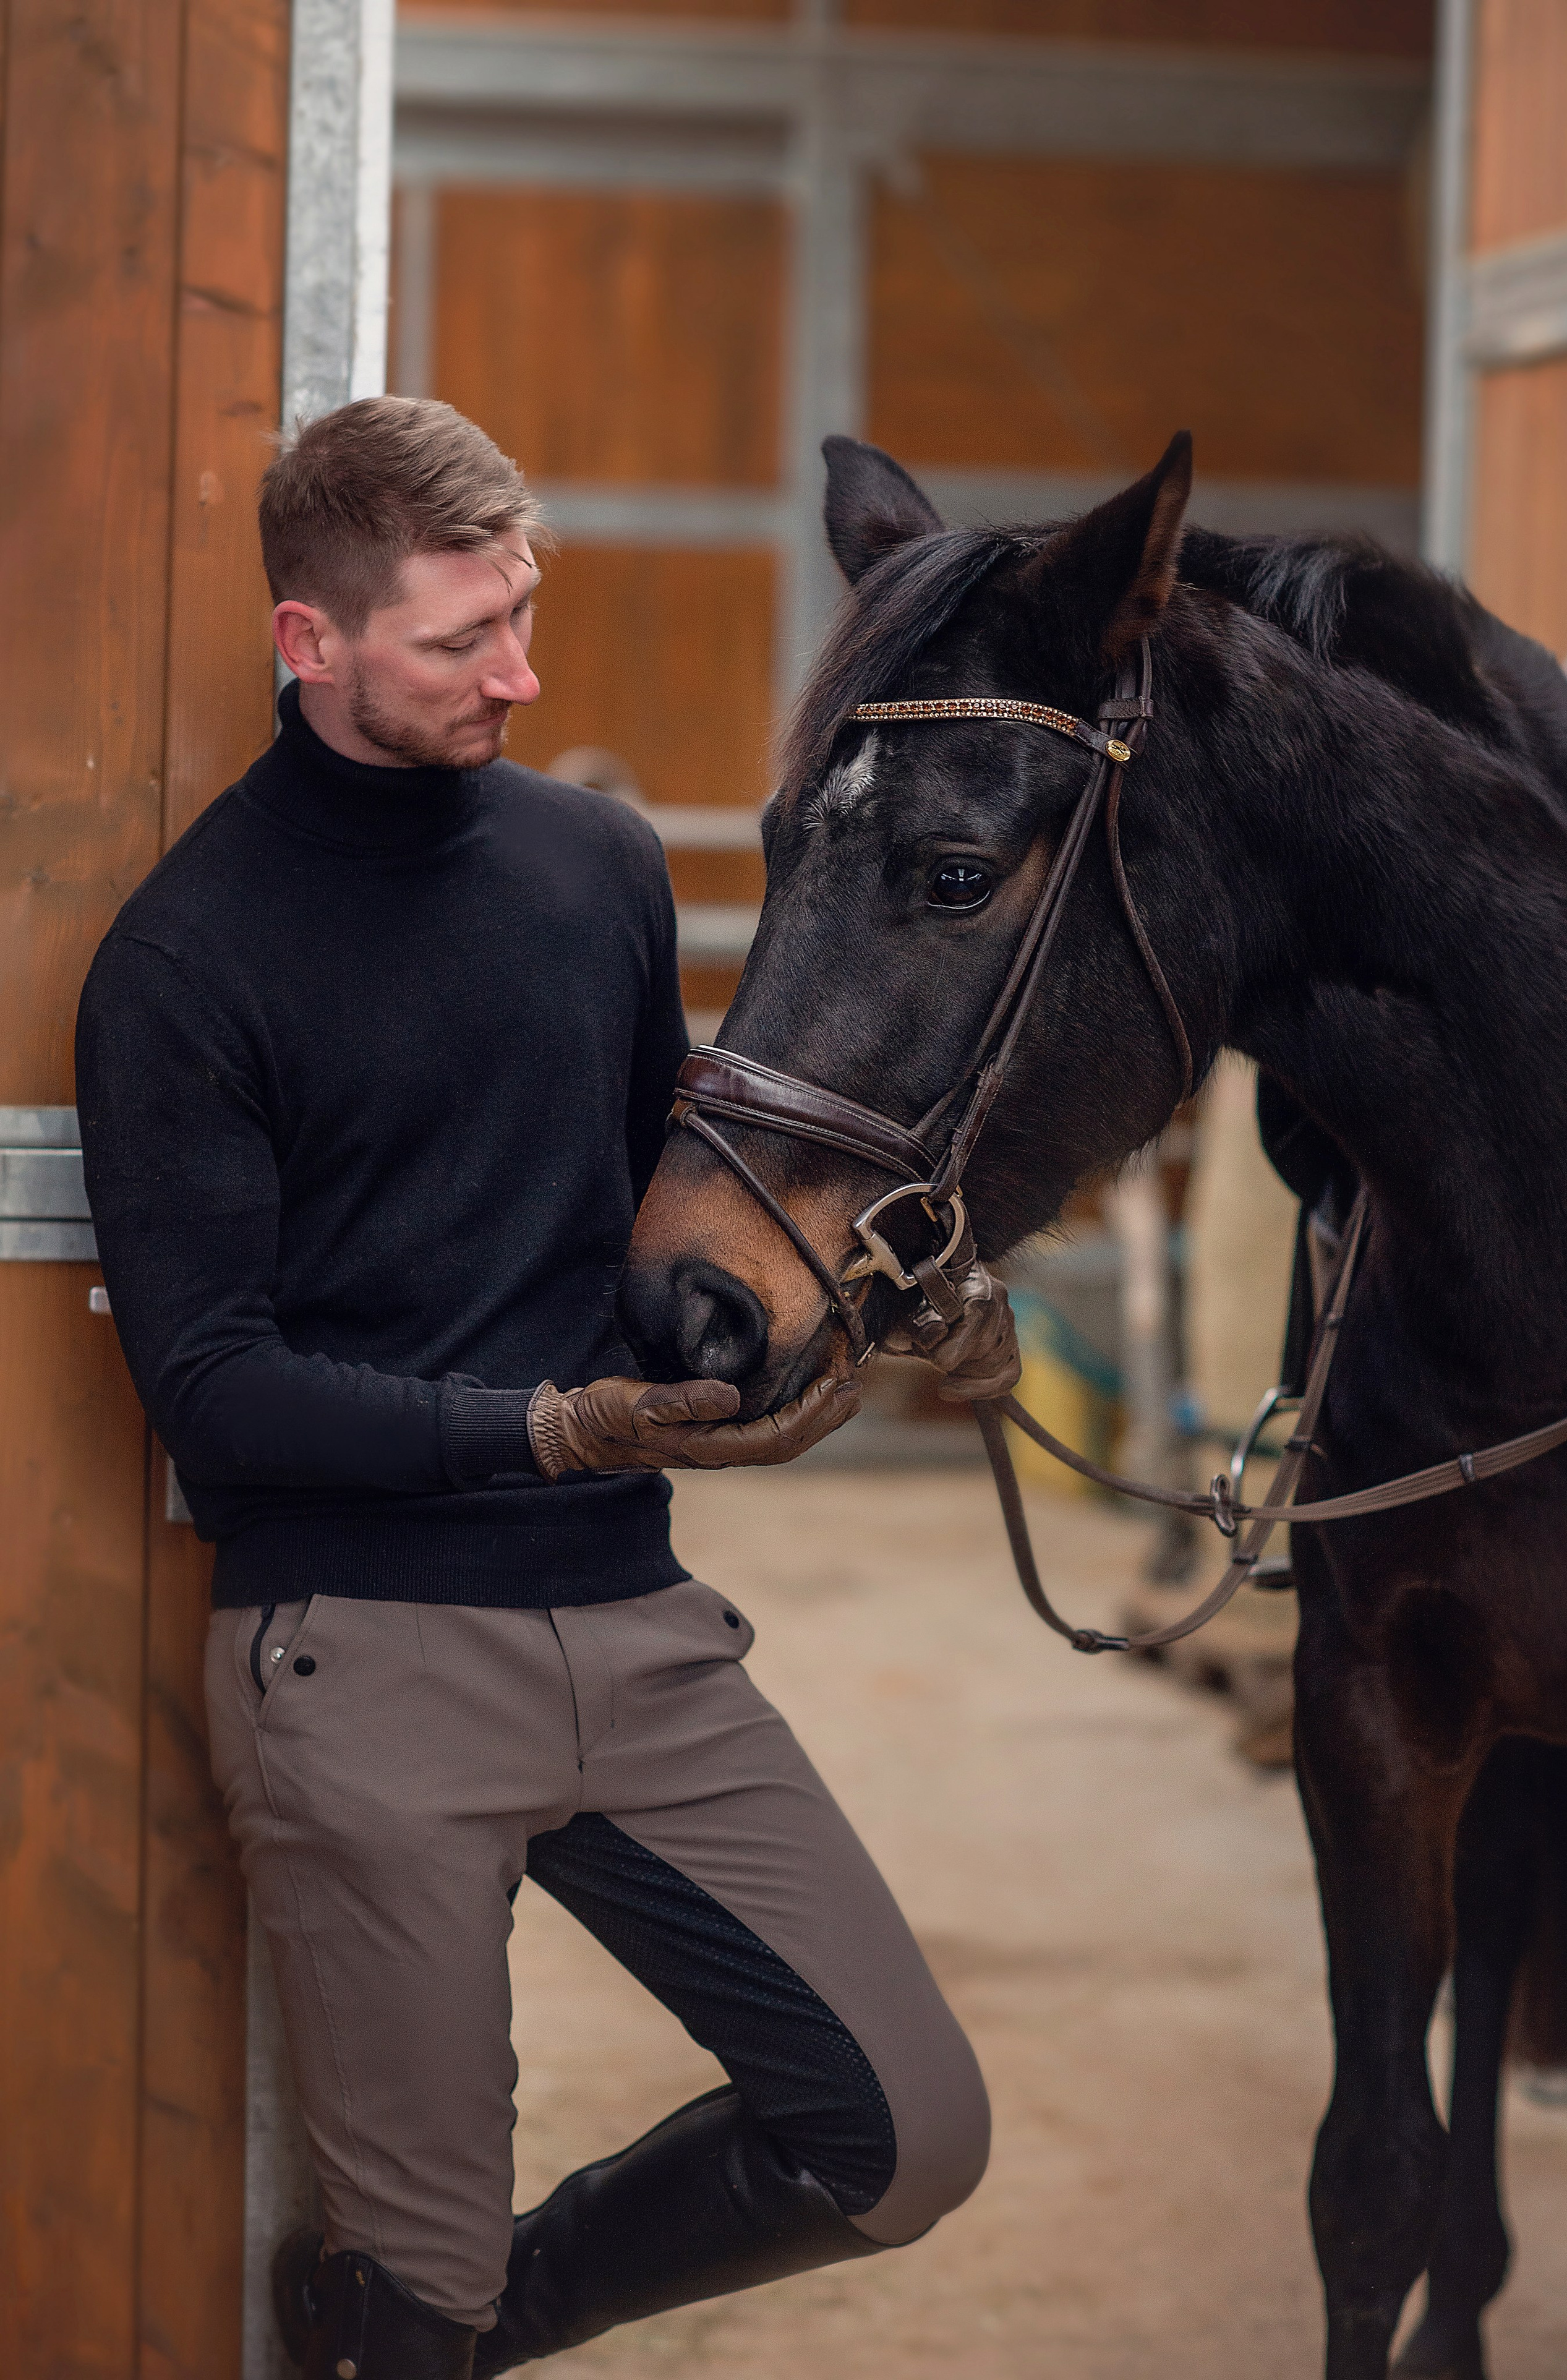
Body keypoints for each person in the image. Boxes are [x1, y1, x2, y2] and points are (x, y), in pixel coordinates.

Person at [75, 397, 1018, 2379]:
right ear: (308, 647)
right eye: (457, 642)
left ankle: (502, 2315)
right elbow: (216, 1392)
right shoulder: (188, 959)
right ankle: (423, 2324)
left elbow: (641, 1226)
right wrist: (529, 1425)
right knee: (411, 2287)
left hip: (637, 1624)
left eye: (523, 612)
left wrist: (875, 1300)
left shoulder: (592, 867)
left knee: (904, 2132)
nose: (521, 673)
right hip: (365, 1654)